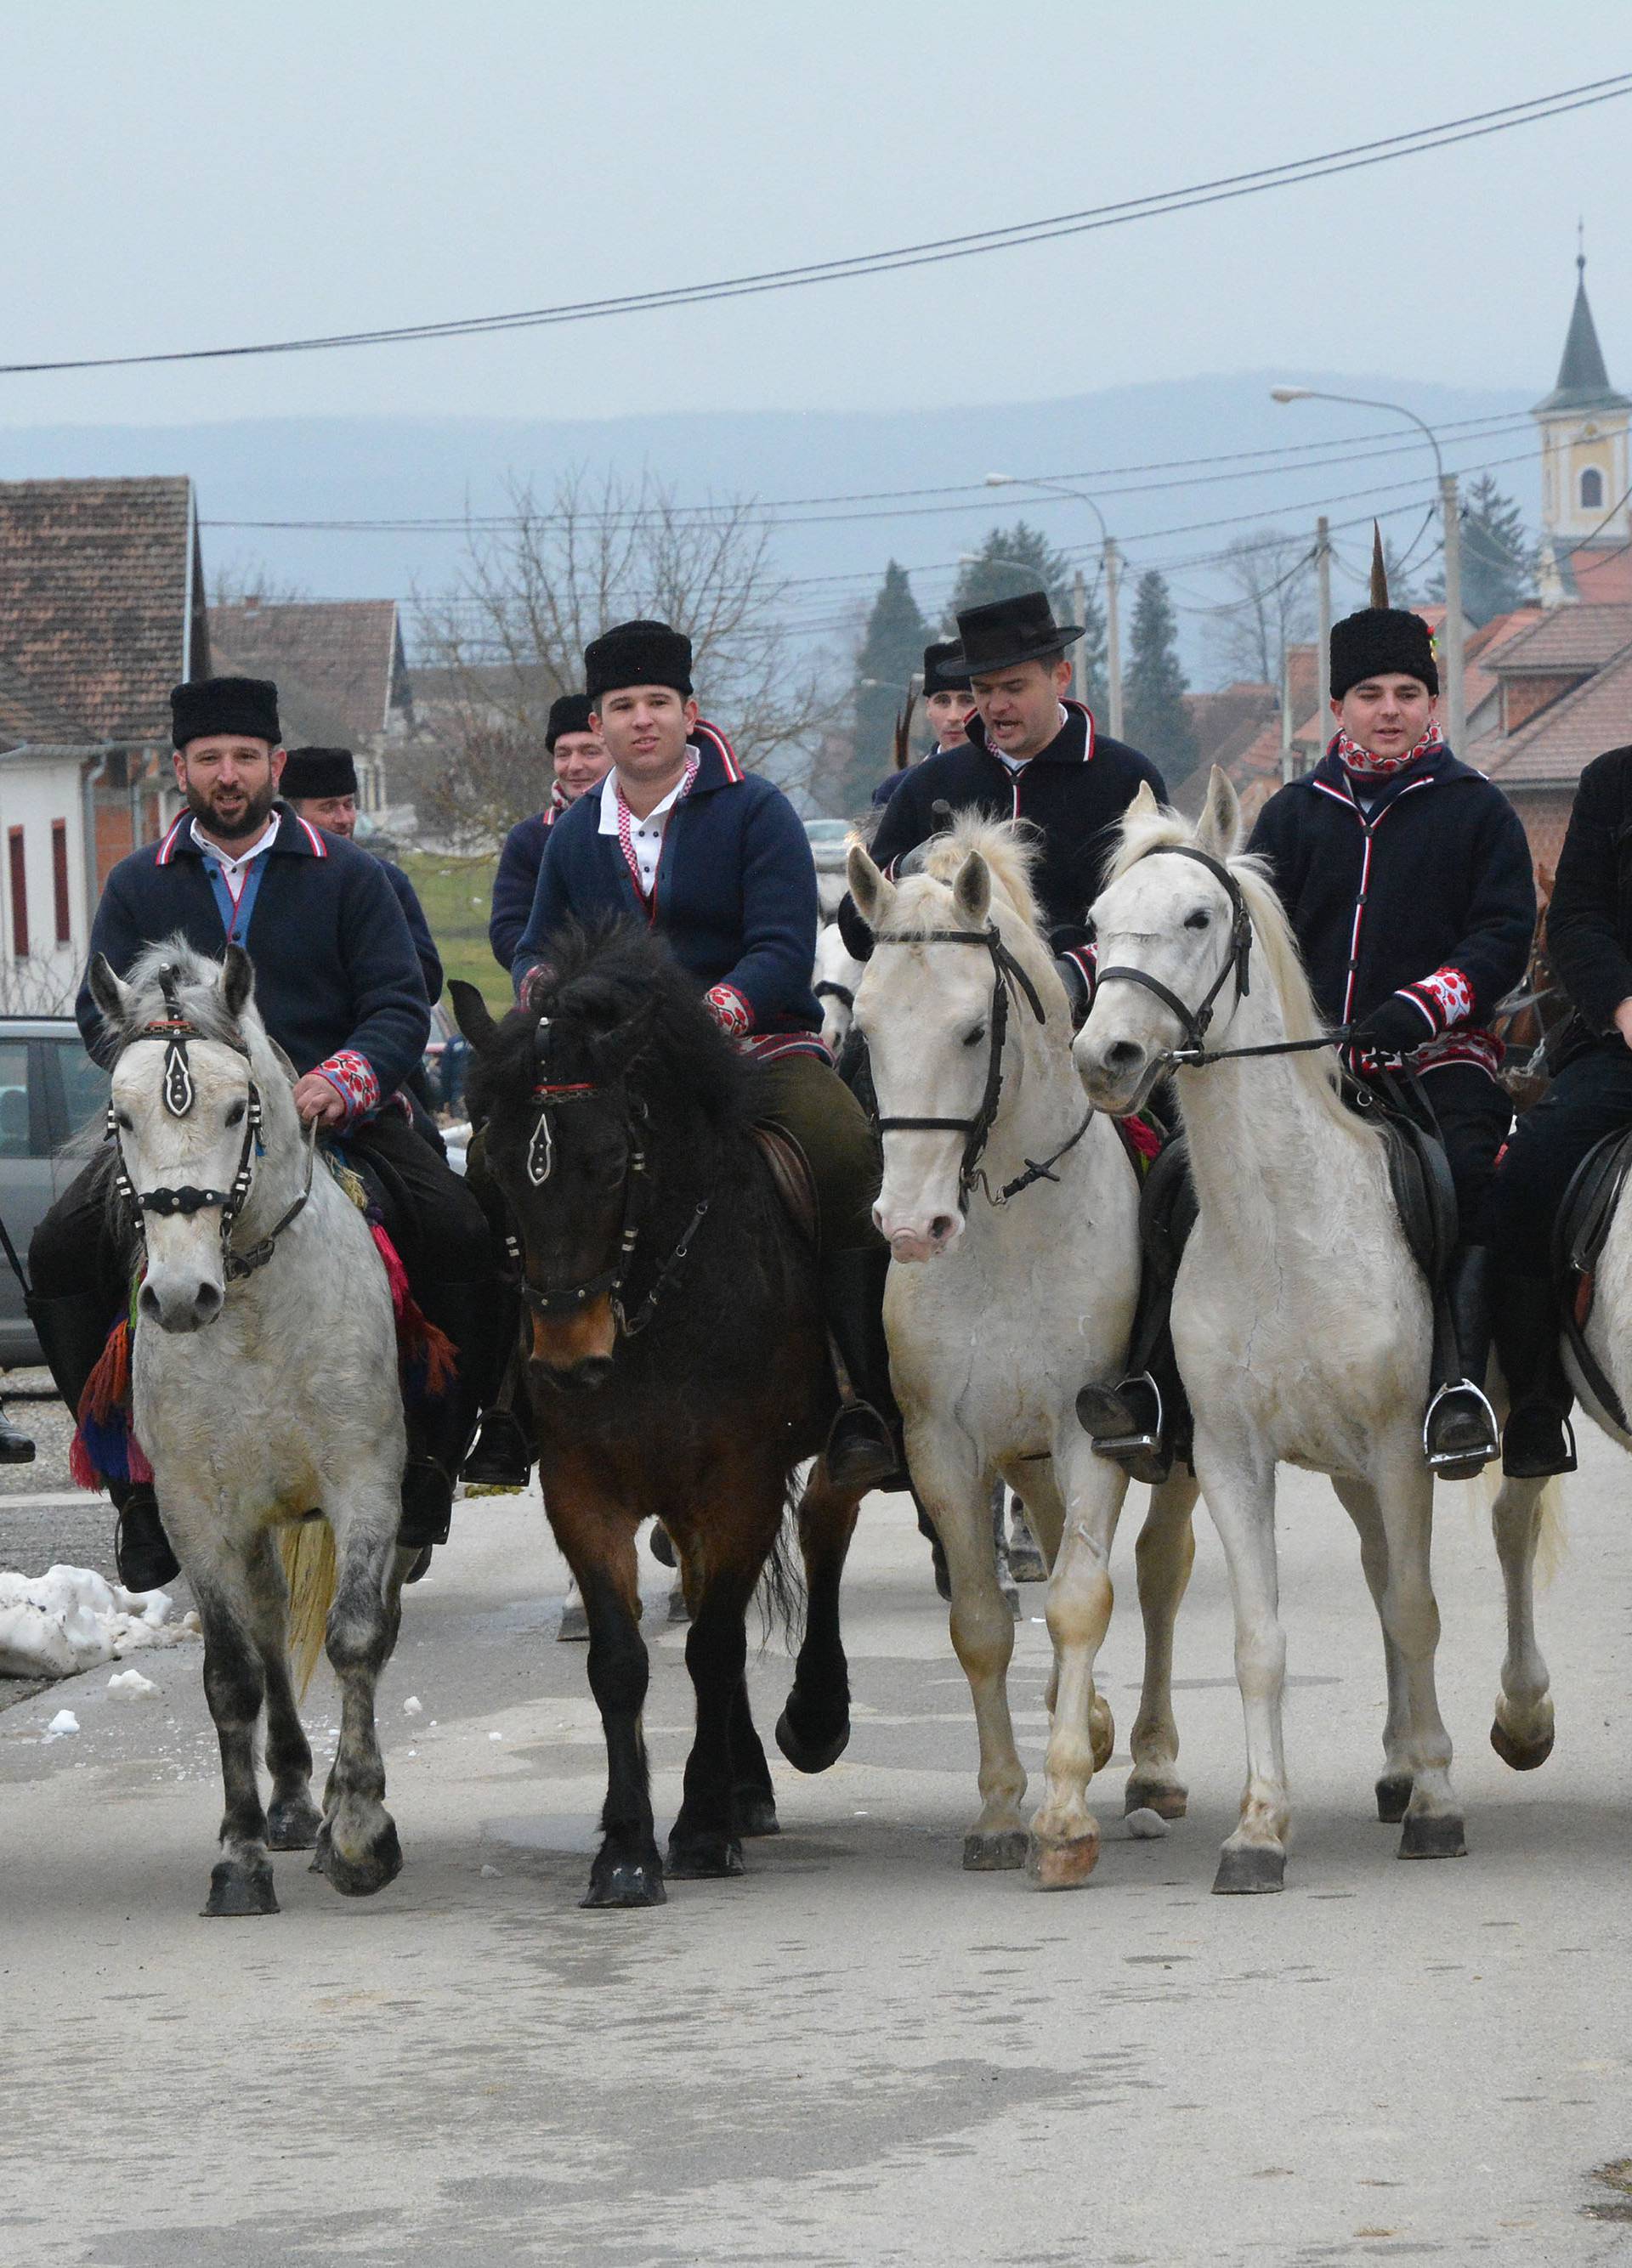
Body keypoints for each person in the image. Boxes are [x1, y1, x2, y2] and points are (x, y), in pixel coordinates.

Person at [27, 675, 509, 1591]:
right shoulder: (137, 883)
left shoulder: (347, 873)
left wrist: (343, 1078)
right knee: (59, 1249)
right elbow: (102, 1017)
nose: (228, 773)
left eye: (245, 756)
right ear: (181, 769)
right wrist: (154, 1065)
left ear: (275, 764)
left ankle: (432, 1470)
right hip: (186, 1136)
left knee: (461, 1231)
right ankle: (137, 1497)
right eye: (209, 758)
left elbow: (397, 1003)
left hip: (337, 1120)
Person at [1081, 569, 1534, 1483]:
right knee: (1172, 1176)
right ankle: (1156, 1385)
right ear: (1338, 705)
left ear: (1433, 700)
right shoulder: (1291, 813)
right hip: (1302, 1062)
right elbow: (1240, 938)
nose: (1390, 710)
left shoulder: (1477, 808)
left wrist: (1421, 1005)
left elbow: (1502, 936)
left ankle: (1457, 1387)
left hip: (1438, 1056)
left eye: (1408, 693)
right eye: (1370, 694)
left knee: (1468, 1176)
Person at [508, 618, 898, 1490]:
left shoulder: (757, 809)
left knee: (844, 1154)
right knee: (518, 1176)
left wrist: (715, 1005)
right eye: (621, 706)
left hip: (758, 1046)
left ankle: (861, 1394)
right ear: (599, 724)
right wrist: (538, 982)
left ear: (690, 711)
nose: (640, 719)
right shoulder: (575, 834)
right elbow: (536, 941)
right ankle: (515, 1403)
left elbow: (777, 944)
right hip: (616, 1070)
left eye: (656, 702)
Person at [842, 591, 1166, 1017]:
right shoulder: (929, 783)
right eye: (983, 689)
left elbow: (1160, 922)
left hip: (1099, 1030)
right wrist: (904, 870)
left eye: (1014, 687)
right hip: (952, 1039)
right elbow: (856, 931)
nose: (996, 706)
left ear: (1061, 677)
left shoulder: (1126, 778)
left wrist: (1074, 974)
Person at [1487, 744, 1632, 1474]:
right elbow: (1577, 918)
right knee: (1527, 1175)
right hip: (1625, 1044)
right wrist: (1622, 1005)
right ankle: (1538, 1402)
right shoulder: (1611, 781)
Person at [280, 744, 442, 1004]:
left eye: (349, 804)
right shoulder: (272, 880)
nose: (344, 819)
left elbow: (427, 982)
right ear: (293, 814)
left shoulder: (387, 881)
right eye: (328, 807)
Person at [488, 693, 610, 971]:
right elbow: (508, 929)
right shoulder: (529, 838)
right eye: (563, 754)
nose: (574, 766)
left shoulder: (646, 827)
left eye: (590, 752)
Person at [870, 641, 973, 808]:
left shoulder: (1010, 782)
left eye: (967, 700)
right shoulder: (896, 791)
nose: (953, 716)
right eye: (942, 701)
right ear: (928, 708)